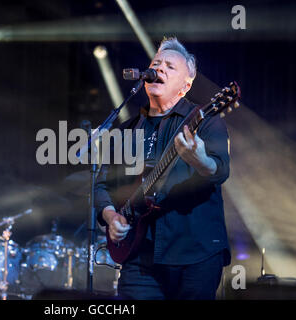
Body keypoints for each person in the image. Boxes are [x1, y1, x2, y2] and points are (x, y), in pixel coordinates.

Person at [95, 37, 231, 300]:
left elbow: (220, 170)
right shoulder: (126, 131)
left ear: (186, 84)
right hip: (139, 259)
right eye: (156, 64)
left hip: (194, 254)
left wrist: (199, 159)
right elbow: (103, 185)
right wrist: (111, 217)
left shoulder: (205, 121)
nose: (159, 69)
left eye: (170, 66)